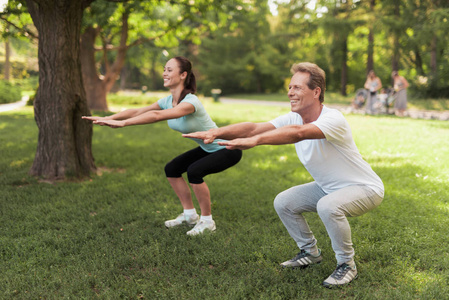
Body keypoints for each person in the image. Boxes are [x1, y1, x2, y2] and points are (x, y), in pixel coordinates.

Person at [184, 62, 384, 288]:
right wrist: (216, 131)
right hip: (328, 187)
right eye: (290, 87)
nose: (290, 92)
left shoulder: (333, 119)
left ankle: (347, 265)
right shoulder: (293, 117)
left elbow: (298, 134)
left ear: (316, 92)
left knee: (328, 206)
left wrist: (256, 141)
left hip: (365, 188)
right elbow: (254, 128)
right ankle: (310, 252)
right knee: (284, 202)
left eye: (297, 88)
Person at [82, 56, 242, 236]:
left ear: (183, 75)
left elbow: (158, 116)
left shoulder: (190, 102)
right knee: (172, 169)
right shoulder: (167, 100)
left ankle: (207, 221)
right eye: (164, 69)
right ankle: (190, 216)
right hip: (207, 147)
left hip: (228, 148)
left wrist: (125, 124)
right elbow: (137, 111)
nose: (164, 73)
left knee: (195, 171)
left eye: (169, 70)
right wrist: (108, 118)